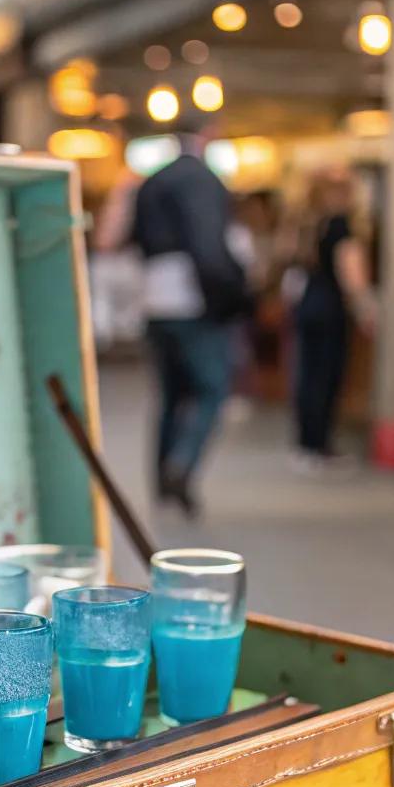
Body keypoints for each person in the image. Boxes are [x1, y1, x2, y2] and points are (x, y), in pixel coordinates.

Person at [132, 136, 249, 514]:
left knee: (169, 394)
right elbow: (208, 244)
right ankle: (182, 464)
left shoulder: (151, 182)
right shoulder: (201, 180)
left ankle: (161, 479)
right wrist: (230, 293)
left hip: (154, 297)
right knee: (212, 389)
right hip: (191, 299)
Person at [290, 169, 374, 470]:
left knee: (308, 376)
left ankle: (306, 443)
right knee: (326, 377)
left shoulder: (312, 225)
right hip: (330, 308)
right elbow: (351, 272)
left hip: (307, 304)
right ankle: (319, 443)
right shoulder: (342, 227)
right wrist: (366, 308)